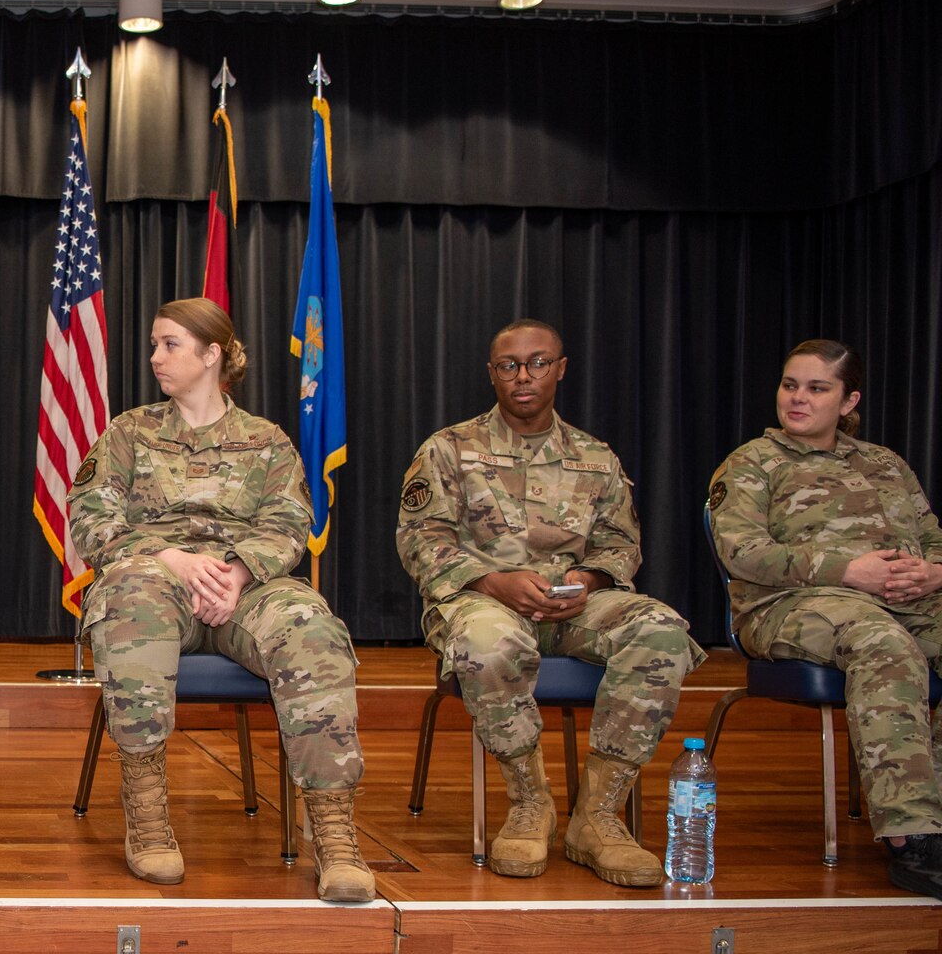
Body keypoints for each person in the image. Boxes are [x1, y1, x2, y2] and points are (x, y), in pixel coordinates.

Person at [67, 298, 373, 901]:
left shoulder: (266, 441)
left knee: (311, 625)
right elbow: (91, 516)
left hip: (246, 588)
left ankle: (335, 835)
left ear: (212, 355)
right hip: (154, 579)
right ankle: (148, 818)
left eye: (170, 344)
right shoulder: (130, 432)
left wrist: (236, 572)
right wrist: (171, 559)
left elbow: (290, 521)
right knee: (131, 599)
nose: (156, 356)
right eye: (154, 344)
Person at [396, 318, 701, 887]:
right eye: (509, 366)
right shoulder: (449, 449)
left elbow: (621, 543)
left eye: (538, 363)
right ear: (492, 374)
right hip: (482, 601)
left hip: (574, 606)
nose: (523, 376)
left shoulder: (594, 456)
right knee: (488, 643)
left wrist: (589, 579)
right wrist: (492, 581)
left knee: (661, 629)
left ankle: (599, 815)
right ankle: (529, 802)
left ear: (560, 370)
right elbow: (420, 540)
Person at [708, 339, 942, 899]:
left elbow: (931, 537)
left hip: (907, 599)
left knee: (893, 631)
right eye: (791, 385)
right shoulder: (753, 463)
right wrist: (847, 569)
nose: (798, 398)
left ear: (848, 399)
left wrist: (935, 573)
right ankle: (915, 836)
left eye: (817, 388)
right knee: (881, 643)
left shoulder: (886, 464)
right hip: (786, 606)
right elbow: (740, 552)